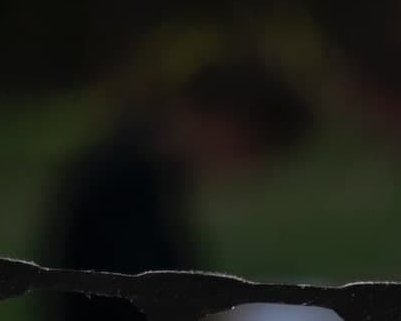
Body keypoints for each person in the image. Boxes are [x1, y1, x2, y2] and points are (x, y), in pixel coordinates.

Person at [39, 58, 314, 321]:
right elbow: (147, 296)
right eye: (253, 147)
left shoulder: (146, 171)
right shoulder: (122, 182)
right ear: (225, 124)